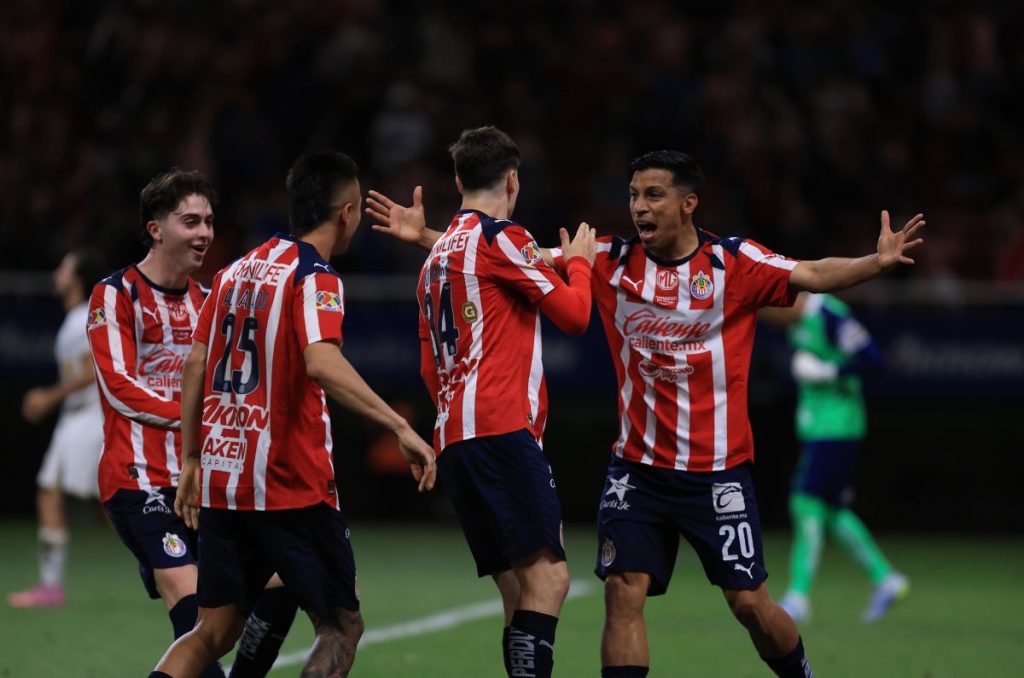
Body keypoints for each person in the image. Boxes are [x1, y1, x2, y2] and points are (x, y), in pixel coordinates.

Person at [368, 149, 925, 678]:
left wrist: (874, 262)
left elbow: (813, 273)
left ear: (688, 204)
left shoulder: (734, 262)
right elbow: (507, 258)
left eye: (654, 194)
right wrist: (424, 237)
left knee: (750, 603)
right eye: (634, 194)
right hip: (637, 470)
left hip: (716, 472)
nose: (639, 206)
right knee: (623, 590)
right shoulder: (610, 259)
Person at [149, 150, 436, 678]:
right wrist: (399, 425)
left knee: (211, 632)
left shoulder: (236, 270)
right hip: (289, 484)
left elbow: (195, 363)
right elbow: (322, 362)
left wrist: (191, 457)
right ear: (347, 213)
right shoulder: (314, 275)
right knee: (340, 626)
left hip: (223, 477)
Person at [374, 125, 596, 678]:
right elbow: (575, 315)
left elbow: (429, 366)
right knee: (549, 579)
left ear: (456, 180)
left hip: (455, 435)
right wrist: (581, 262)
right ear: (513, 181)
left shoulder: (435, 259)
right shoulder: (505, 239)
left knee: (516, 588)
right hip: (500, 428)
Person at [88, 169, 297, 678]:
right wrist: (195, 424)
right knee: (196, 619)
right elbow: (119, 388)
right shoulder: (115, 296)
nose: (204, 232)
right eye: (190, 221)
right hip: (141, 483)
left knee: (284, 579)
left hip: (205, 483)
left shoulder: (211, 301)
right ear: (156, 229)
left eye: (208, 221)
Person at [760, 293, 909, 624]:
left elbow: (873, 361)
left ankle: (798, 596)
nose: (770, 322)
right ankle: (885, 578)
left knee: (804, 502)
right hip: (819, 426)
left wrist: (829, 371)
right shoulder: (797, 321)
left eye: (768, 314)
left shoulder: (829, 315)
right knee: (831, 509)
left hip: (838, 425)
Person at [9, 248, 108, 608]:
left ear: (77, 279)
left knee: (105, 504)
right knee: (97, 502)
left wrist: (50, 397)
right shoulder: (75, 318)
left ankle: (172, 561)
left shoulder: (82, 318)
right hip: (77, 418)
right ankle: (50, 585)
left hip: (88, 418)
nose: (57, 272)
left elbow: (93, 371)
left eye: (64, 267)